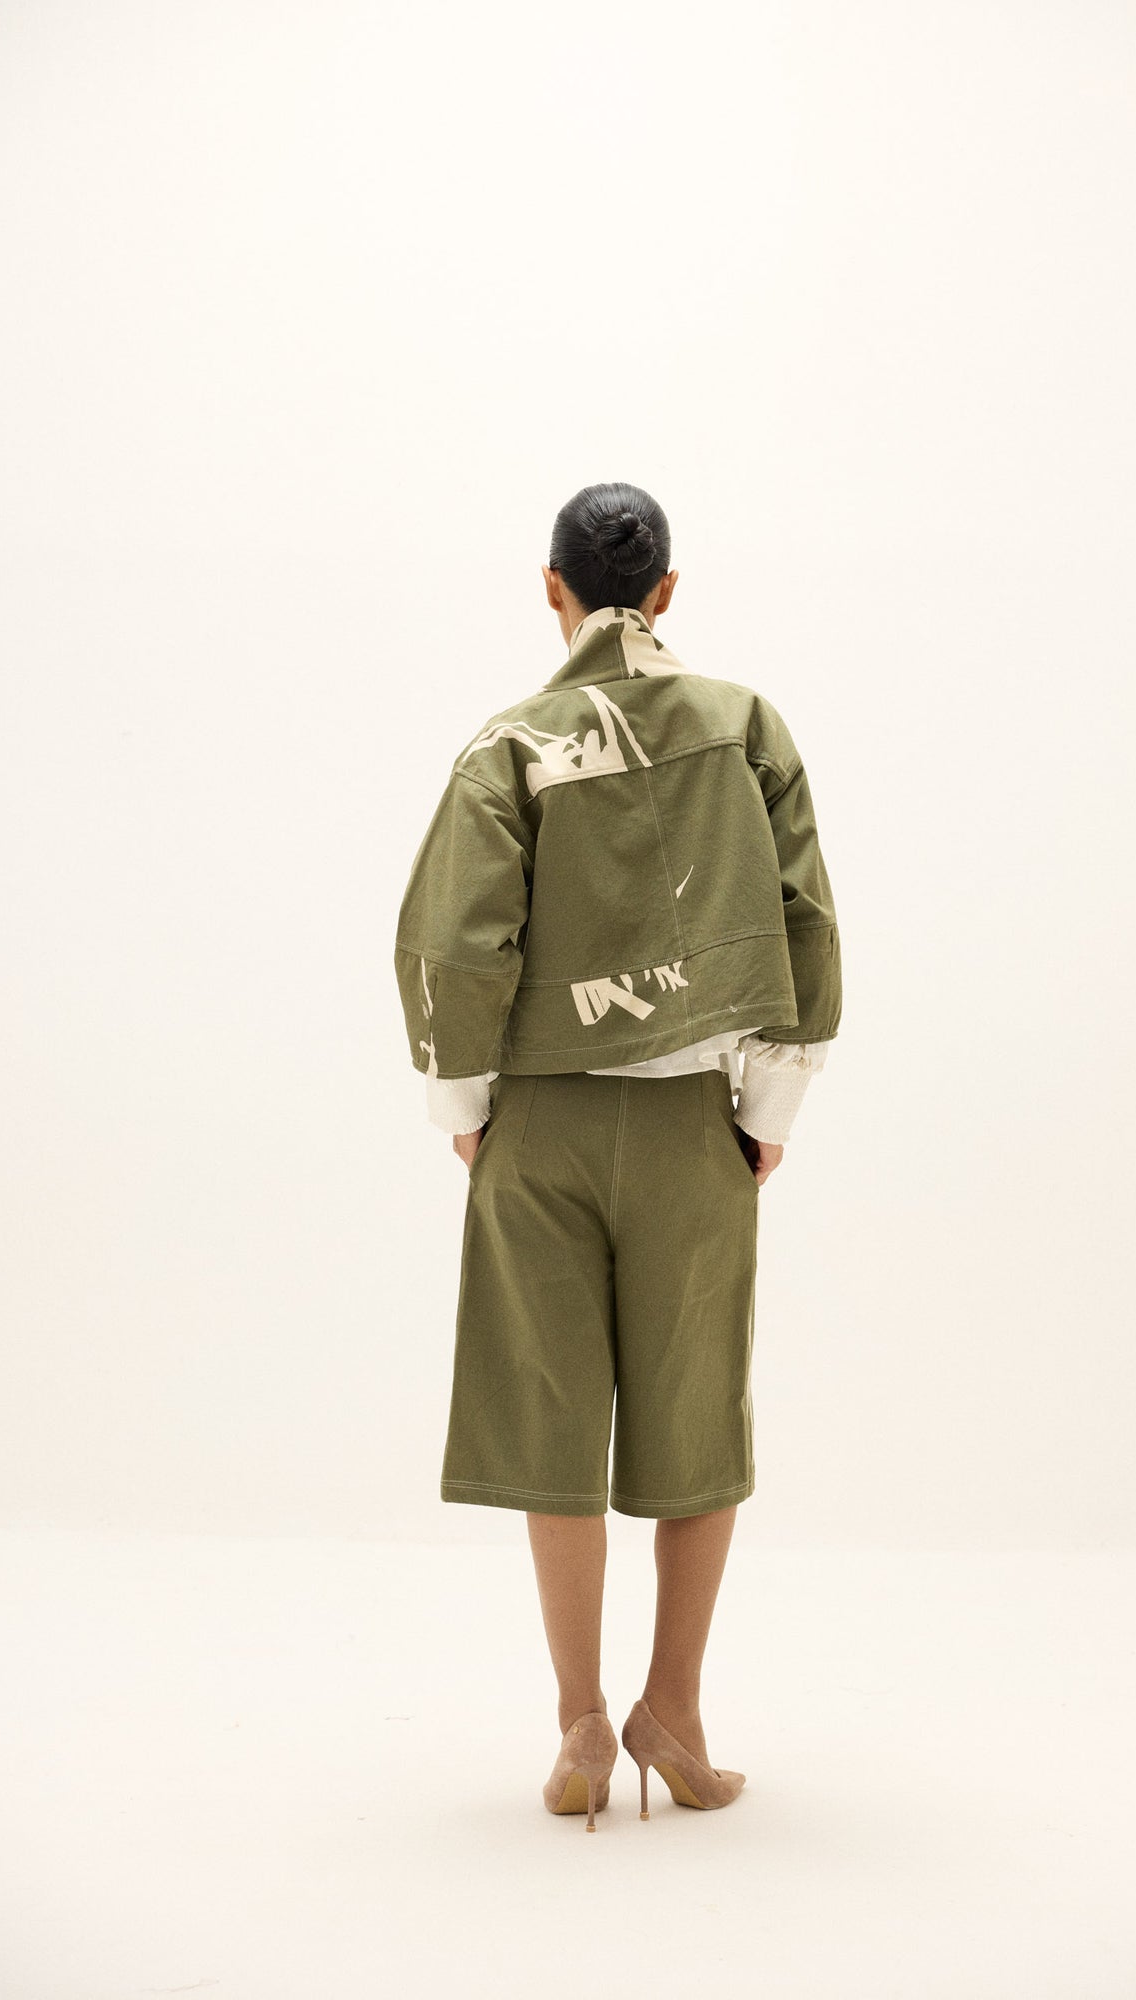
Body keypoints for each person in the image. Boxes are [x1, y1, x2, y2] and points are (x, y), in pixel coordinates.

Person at [394, 481, 843, 1828]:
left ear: (551, 587)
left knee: (551, 1422)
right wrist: (766, 1112)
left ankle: (581, 1725)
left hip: (537, 1123)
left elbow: (453, 941)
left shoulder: (509, 747)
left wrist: (468, 1106)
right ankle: (675, 1714)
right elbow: (803, 921)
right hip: (691, 1124)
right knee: (697, 1418)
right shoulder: (741, 726)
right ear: (666, 589)